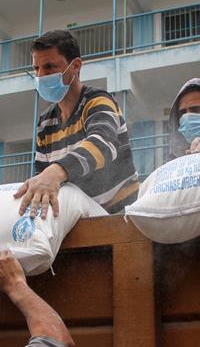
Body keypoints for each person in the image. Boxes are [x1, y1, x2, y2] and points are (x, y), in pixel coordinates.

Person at [14, 29, 139, 217]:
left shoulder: (98, 101)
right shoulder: (45, 123)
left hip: (120, 221)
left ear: (76, 66)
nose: (41, 75)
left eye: (49, 67)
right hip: (76, 223)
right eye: (36, 69)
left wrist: (54, 173)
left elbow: (103, 144)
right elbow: (43, 180)